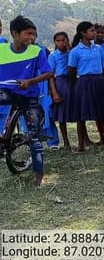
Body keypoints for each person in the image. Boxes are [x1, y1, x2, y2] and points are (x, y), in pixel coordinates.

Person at [0, 16, 53, 186]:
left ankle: (39, 175)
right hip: (5, 92)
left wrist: (30, 81)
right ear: (15, 33)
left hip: (28, 94)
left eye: (34, 34)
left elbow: (48, 73)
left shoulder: (36, 51)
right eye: (28, 33)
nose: (32, 37)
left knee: (33, 136)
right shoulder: (1, 50)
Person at [69, 21, 104, 151]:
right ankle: (81, 145)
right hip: (84, 82)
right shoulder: (75, 51)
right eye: (91, 31)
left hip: (99, 81)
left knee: (103, 112)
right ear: (83, 33)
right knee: (81, 116)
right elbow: (71, 71)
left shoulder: (98, 49)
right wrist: (77, 84)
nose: (94, 33)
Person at [48, 32, 75, 150]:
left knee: (78, 111)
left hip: (73, 81)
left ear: (67, 40)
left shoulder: (72, 53)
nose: (61, 43)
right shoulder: (53, 56)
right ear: (54, 43)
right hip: (60, 83)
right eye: (58, 41)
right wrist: (54, 92)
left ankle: (84, 139)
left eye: (63, 40)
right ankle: (66, 141)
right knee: (61, 114)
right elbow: (50, 75)